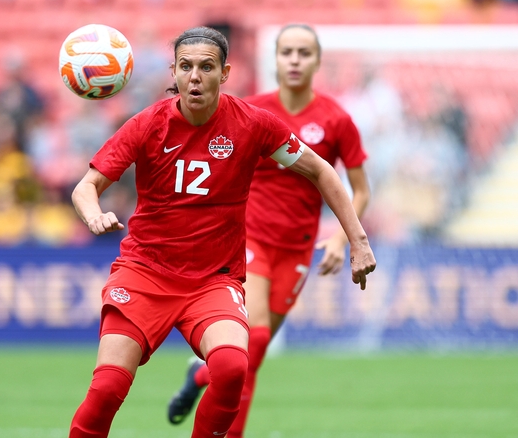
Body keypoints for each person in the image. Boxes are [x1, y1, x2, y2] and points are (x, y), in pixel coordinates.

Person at [68, 26, 376, 438]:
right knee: (107, 388)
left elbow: (321, 170)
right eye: (185, 66)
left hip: (213, 280)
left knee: (232, 368)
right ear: (174, 73)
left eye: (206, 67)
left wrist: (357, 240)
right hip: (144, 273)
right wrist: (93, 215)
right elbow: (86, 186)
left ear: (225, 73)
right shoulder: (147, 124)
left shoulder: (253, 124)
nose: (195, 76)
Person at [166, 24, 371, 436]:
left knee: (250, 356)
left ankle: (200, 375)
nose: (294, 60)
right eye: (286, 52)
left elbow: (360, 189)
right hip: (249, 240)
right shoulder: (252, 111)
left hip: (297, 248)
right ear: (273, 59)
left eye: (304, 53)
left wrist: (341, 238)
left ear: (317, 61)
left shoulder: (336, 119)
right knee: (255, 341)